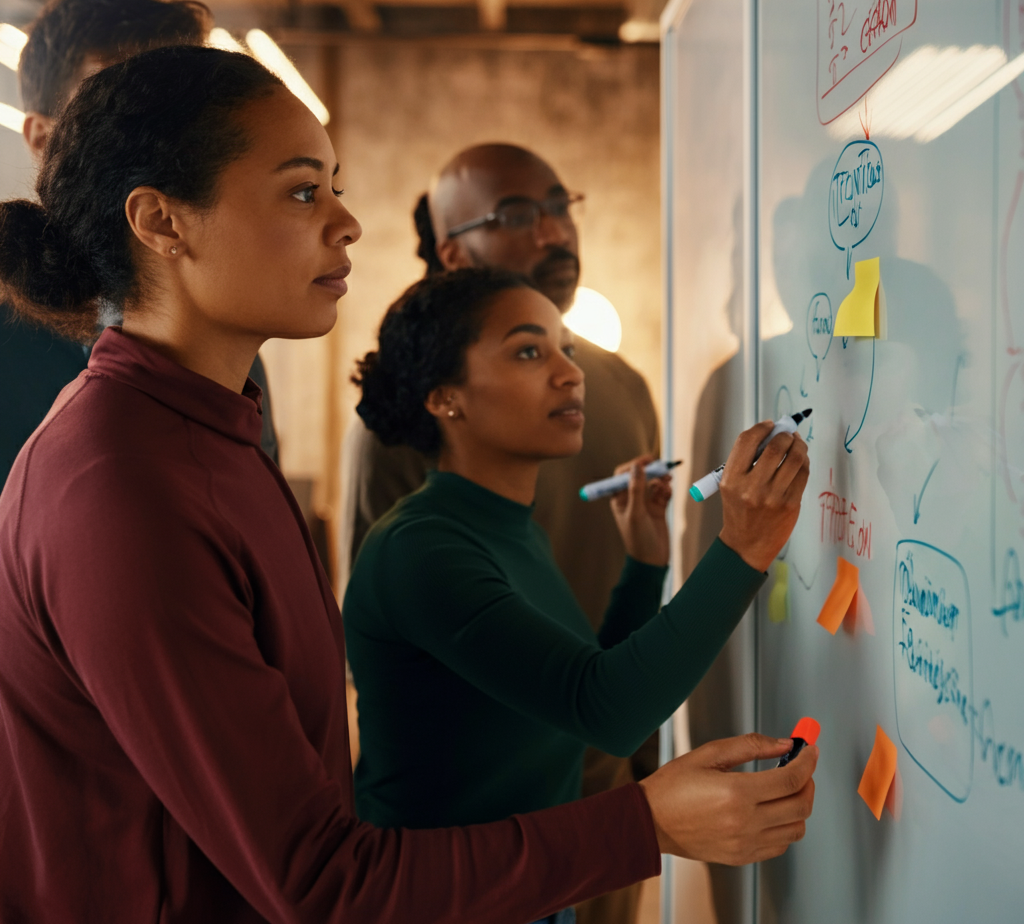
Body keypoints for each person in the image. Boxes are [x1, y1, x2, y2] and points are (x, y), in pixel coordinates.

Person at [0, 45, 817, 923]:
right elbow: (319, 884)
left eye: (335, 186)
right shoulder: (123, 486)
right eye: (304, 190)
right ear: (163, 222)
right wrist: (643, 823)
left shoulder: (213, 433)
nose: (348, 224)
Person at [343, 269, 812, 924]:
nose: (571, 372)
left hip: (527, 894)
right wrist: (743, 549)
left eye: (566, 347)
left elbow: (581, 698)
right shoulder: (421, 550)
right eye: (530, 351)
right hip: (440, 900)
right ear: (446, 397)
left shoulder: (505, 528)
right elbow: (608, 709)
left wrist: (645, 564)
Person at [339, 142, 660, 923]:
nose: (554, 233)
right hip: (479, 830)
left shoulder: (616, 386)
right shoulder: (407, 426)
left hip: (610, 791)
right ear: (453, 252)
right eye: (518, 216)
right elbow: (387, 633)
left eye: (560, 207)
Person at [0, 0, 278, 488]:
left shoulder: (220, 326)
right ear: (44, 141)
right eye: (124, 119)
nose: (167, 147)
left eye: (184, 119)